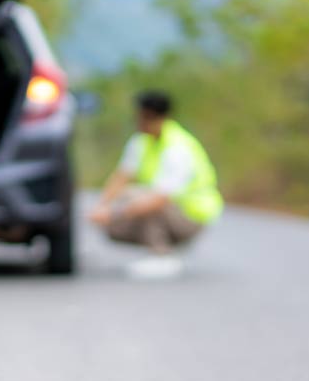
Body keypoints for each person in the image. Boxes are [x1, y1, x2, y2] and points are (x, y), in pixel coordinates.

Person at [89, 90, 223, 274]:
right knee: (129, 195)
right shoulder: (141, 141)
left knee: (144, 200)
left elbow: (160, 199)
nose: (138, 122)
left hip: (191, 216)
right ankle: (161, 249)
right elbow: (122, 176)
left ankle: (162, 255)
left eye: (142, 117)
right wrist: (102, 206)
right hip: (171, 208)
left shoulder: (177, 147)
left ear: (151, 116)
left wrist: (114, 214)